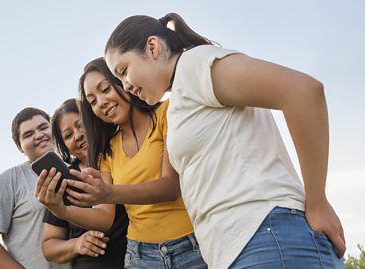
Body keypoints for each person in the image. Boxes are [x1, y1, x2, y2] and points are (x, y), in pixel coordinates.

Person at [101, 12, 346, 269]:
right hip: (240, 249)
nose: (125, 86)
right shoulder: (181, 98)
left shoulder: (194, 64)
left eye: (124, 71)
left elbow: (303, 91)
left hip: (267, 236)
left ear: (153, 47)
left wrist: (317, 202)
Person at [37, 57, 206, 269]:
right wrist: (62, 211)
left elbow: (171, 186)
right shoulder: (107, 151)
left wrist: (108, 192)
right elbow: (104, 217)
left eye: (105, 89)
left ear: (123, 80)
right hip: (141, 256)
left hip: (192, 246)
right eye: (93, 101)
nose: (102, 102)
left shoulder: (166, 113)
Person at [0, 107, 68, 269]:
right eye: (28, 134)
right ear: (20, 147)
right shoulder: (9, 180)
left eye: (43, 127)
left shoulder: (78, 168)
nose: (38, 135)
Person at [38, 98, 128, 269]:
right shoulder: (65, 179)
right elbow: (49, 246)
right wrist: (77, 243)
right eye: (68, 135)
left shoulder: (121, 153)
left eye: (81, 125)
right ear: (64, 145)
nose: (78, 135)